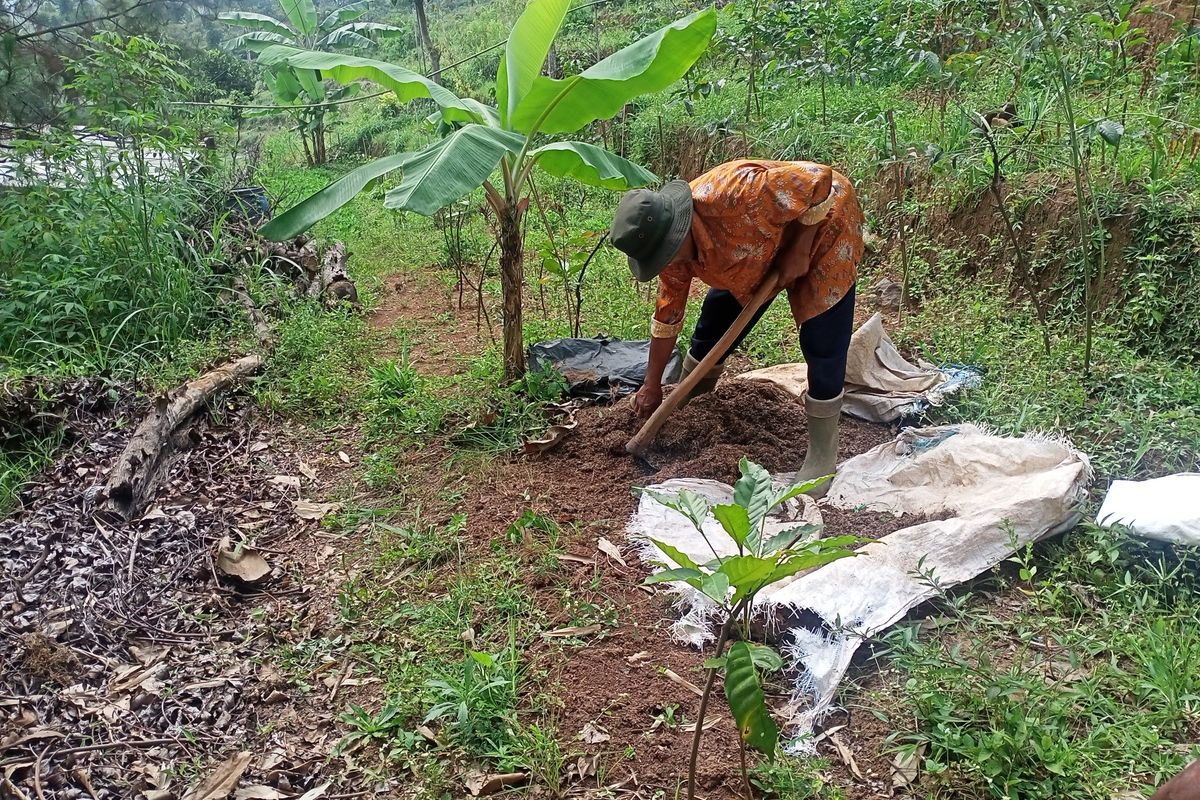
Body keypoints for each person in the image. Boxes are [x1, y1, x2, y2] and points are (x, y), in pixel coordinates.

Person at [609, 159, 864, 494]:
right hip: (751, 253)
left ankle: (821, 456)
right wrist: (652, 384)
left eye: (667, 255)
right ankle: (691, 402)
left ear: (678, 232)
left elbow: (820, 181)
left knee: (822, 339)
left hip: (823, 227)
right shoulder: (670, 254)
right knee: (714, 326)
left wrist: (801, 245)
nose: (666, 264)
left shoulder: (737, 193)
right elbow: (667, 315)